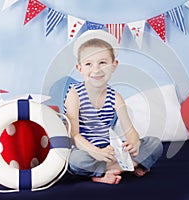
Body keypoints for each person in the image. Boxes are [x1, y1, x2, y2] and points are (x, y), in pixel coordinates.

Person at [64, 30, 163, 184]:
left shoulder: (115, 97)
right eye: (89, 64)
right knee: (74, 160)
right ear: (79, 68)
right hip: (85, 151)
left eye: (102, 62)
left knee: (154, 144)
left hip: (110, 150)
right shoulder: (74, 94)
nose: (96, 69)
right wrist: (95, 151)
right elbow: (74, 136)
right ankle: (122, 168)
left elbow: (130, 132)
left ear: (114, 65)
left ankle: (110, 169)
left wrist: (134, 143)